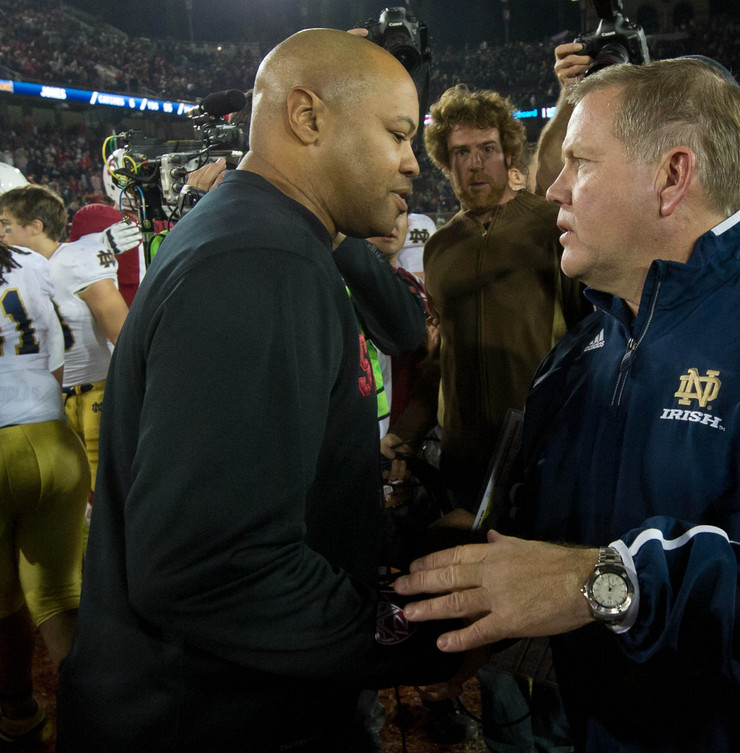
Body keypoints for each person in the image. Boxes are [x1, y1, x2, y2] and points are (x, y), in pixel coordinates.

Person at [395, 57, 740, 752]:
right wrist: (466, 577)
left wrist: (593, 581)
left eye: (580, 162)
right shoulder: (574, 359)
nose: (553, 188)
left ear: (672, 176)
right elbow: (545, 559)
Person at [56, 29, 436, 752]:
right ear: (307, 116)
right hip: (205, 715)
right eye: (397, 134)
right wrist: (409, 633)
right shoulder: (262, 257)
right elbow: (207, 568)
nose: (413, 162)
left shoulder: (273, 235)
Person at [409, 83, 589, 753]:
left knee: (558, 625)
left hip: (546, 463)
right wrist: (403, 433)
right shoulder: (440, 246)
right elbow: (437, 358)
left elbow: (588, 336)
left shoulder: (548, 224)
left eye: (487, 149)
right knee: (488, 627)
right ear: (443, 161)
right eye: (460, 153)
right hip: (466, 465)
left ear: (508, 152)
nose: (474, 164)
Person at [0, 238, 90, 742]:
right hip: (53, 439)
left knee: (4, 600)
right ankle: (98, 718)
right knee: (60, 594)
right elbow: (59, 354)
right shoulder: (30, 262)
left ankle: (19, 714)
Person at [0, 186, 129, 496]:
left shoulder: (76, 260)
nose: (1, 235)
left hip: (96, 391)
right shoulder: (16, 272)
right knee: (67, 498)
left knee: (108, 493)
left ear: (35, 227)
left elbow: (124, 333)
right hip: (49, 402)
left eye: (6, 225)